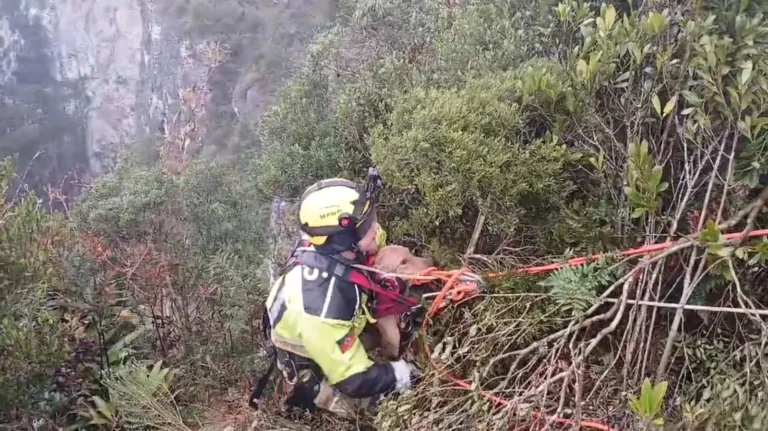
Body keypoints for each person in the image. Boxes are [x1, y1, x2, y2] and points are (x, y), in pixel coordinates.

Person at [261, 177, 415, 418]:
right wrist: (403, 374)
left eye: (371, 219)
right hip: (312, 357)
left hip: (334, 327)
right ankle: (310, 401)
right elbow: (355, 380)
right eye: (367, 227)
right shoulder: (323, 305)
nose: (376, 228)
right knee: (378, 407)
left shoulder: (328, 242)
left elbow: (376, 243)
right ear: (345, 240)